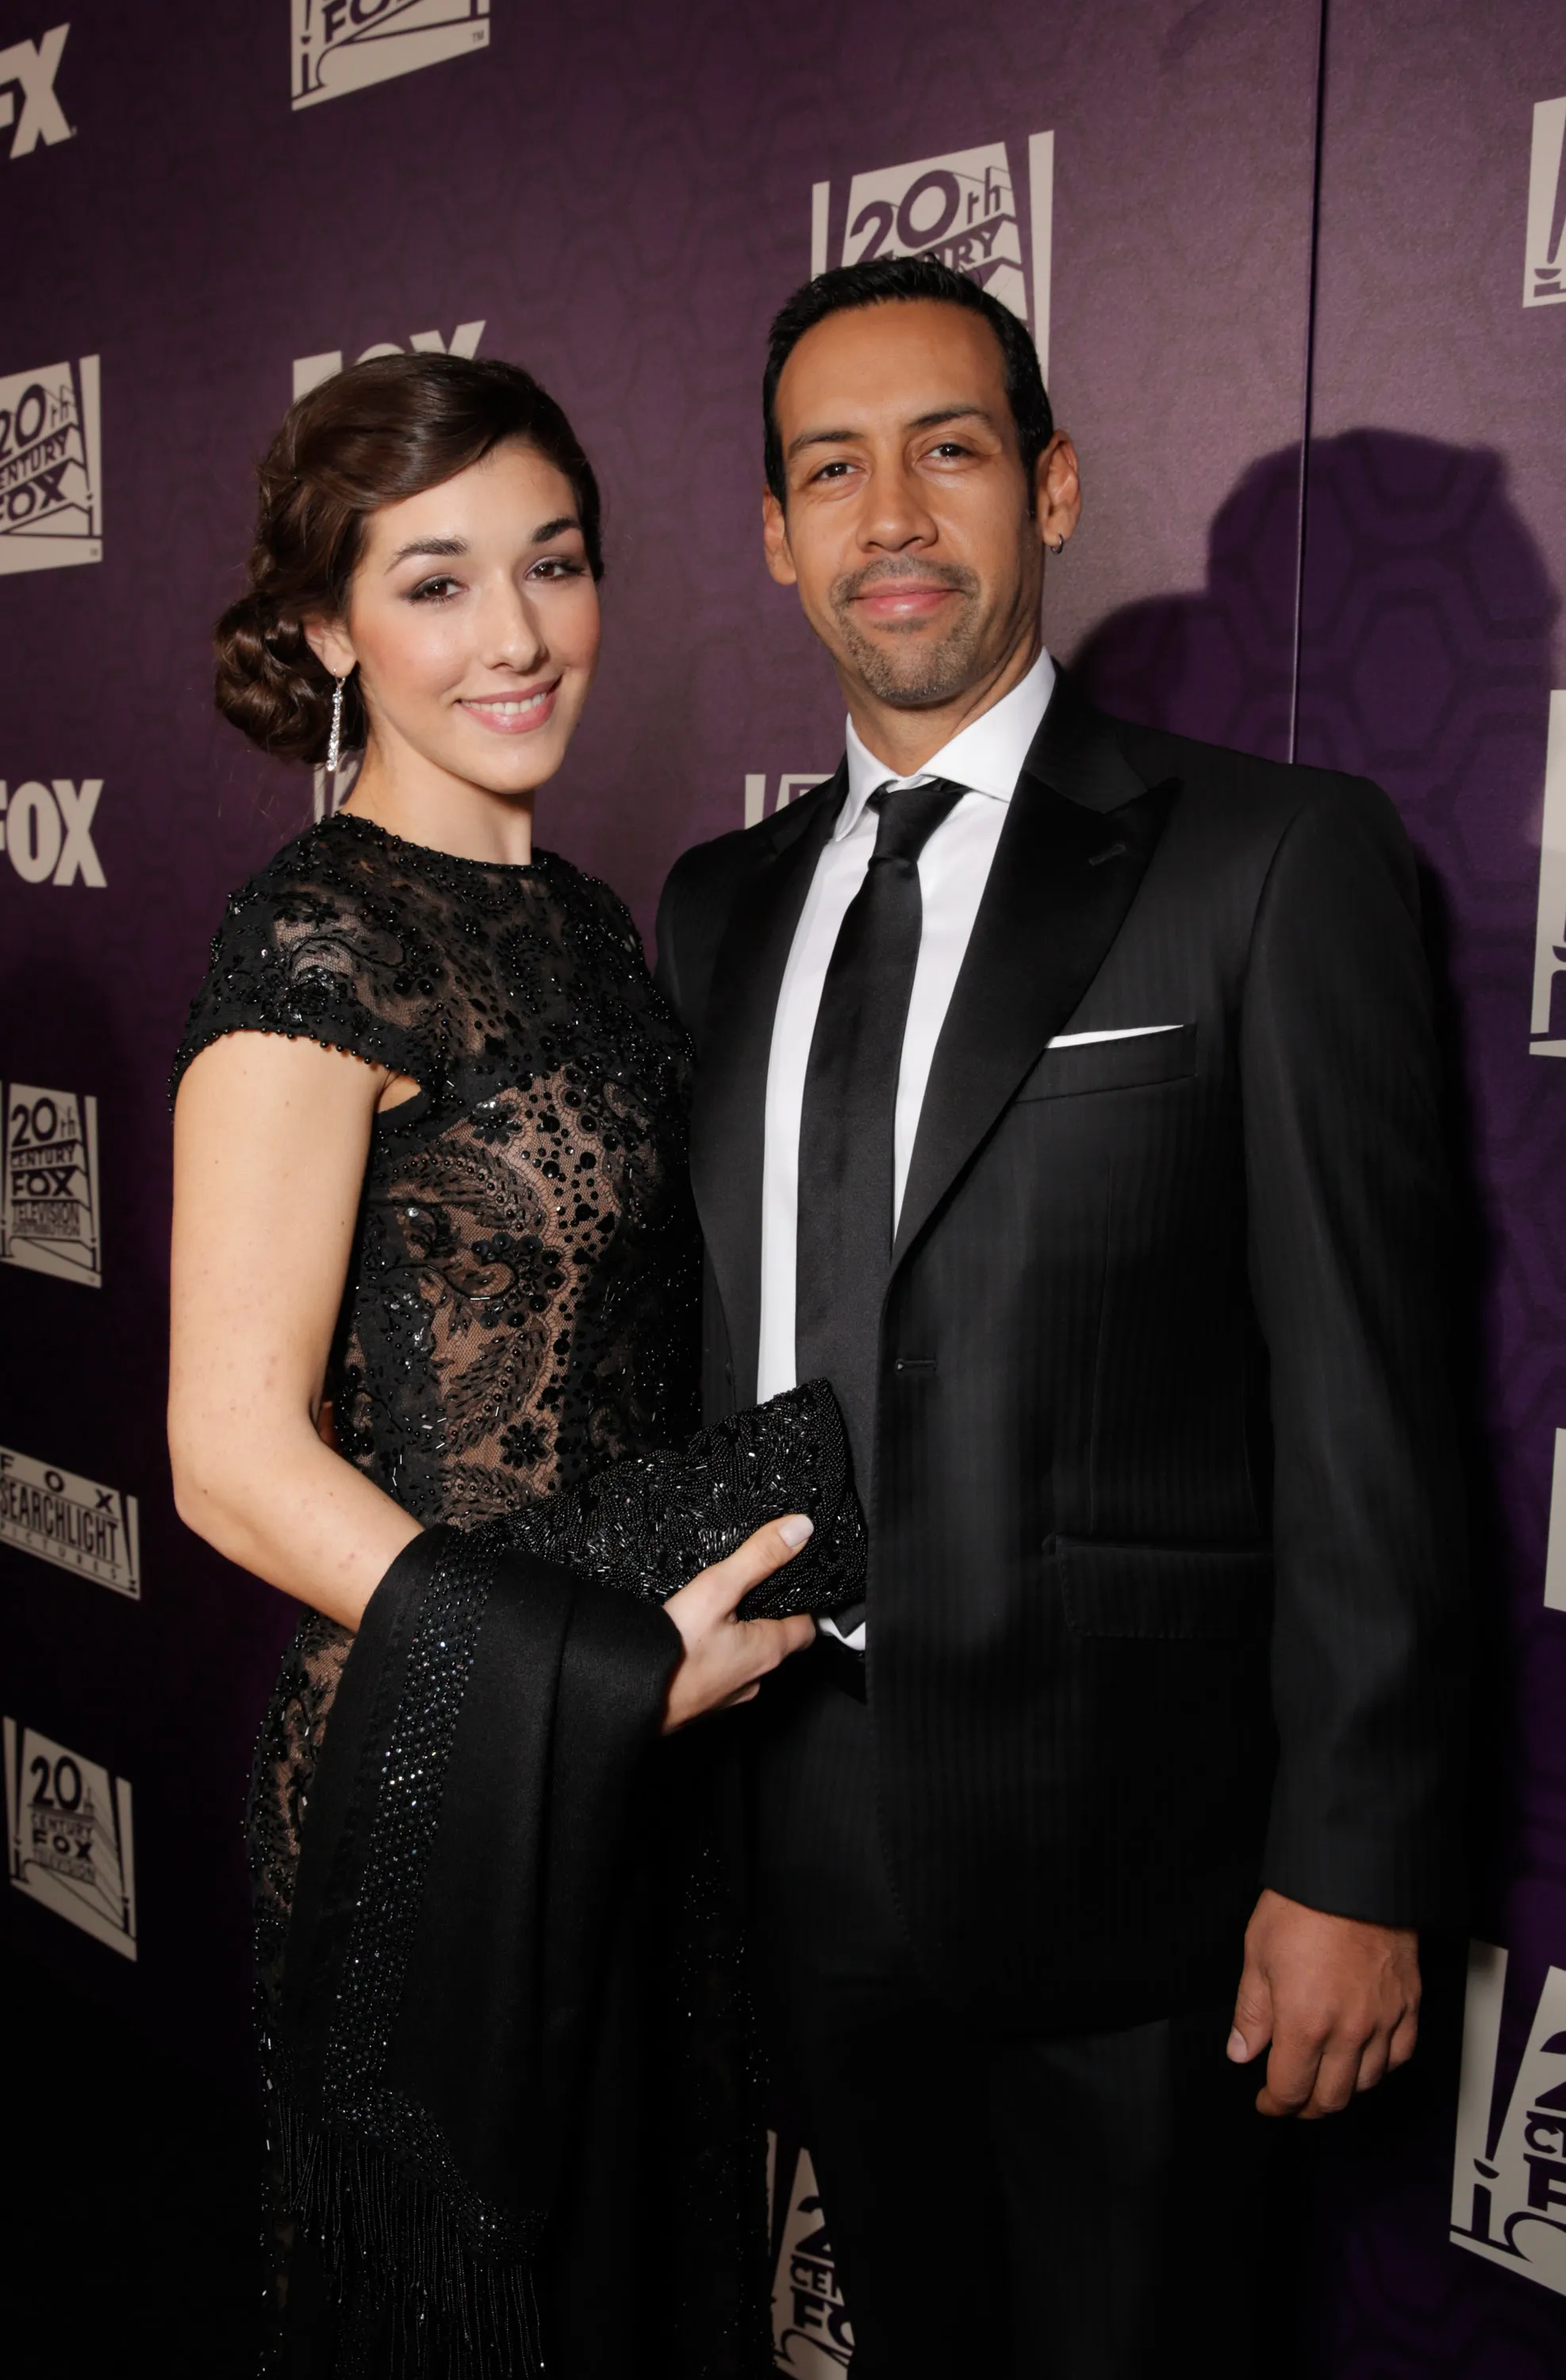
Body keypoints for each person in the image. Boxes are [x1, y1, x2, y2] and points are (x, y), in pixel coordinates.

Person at [654, 256, 1469, 2378]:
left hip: (1147, 1878)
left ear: (1052, 486)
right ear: (775, 535)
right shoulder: (716, 907)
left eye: (948, 448)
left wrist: (1352, 1862)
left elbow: (1369, 1397)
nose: (891, 515)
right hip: (799, 1833)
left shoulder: (1268, 861)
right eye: (831, 469)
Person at [167, 351, 827, 2377]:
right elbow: (226, 1453)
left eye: (552, 563)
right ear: (326, 628)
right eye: (436, 582)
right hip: (450, 1761)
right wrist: (587, 1674)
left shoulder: (593, 927)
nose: (518, 635)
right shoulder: (319, 944)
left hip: (646, 1751)